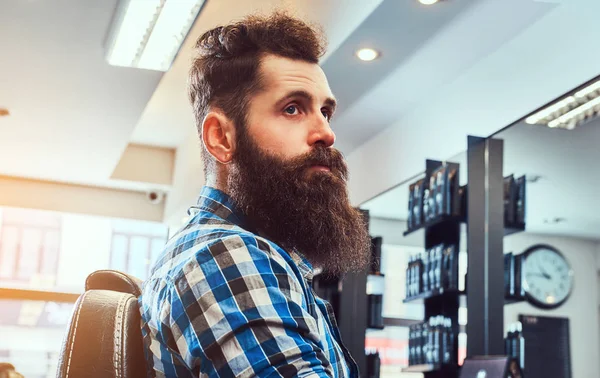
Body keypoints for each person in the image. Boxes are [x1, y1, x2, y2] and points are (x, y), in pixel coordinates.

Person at [140, 11, 371, 378]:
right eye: (292, 108)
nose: (326, 133)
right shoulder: (223, 257)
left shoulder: (257, 257)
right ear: (221, 137)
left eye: (325, 111)